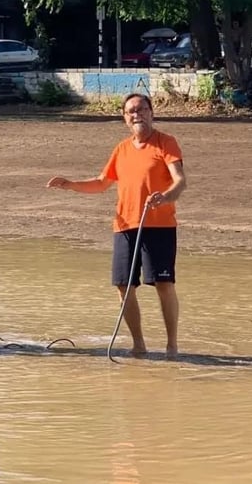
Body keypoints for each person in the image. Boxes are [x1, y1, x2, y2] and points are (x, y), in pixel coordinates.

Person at [46, 93, 187, 358]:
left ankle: (172, 346)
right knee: (123, 286)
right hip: (124, 226)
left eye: (142, 109)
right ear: (125, 118)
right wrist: (70, 184)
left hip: (158, 224)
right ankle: (139, 346)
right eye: (131, 111)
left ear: (151, 112)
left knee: (163, 284)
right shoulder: (121, 149)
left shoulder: (166, 143)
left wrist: (165, 197)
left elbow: (180, 181)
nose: (138, 115)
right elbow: (101, 183)